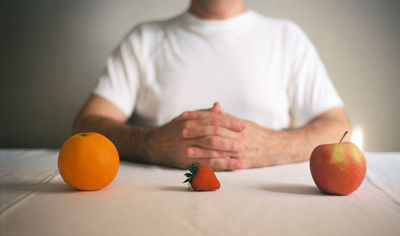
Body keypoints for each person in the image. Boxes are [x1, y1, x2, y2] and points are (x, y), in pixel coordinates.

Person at [73, 0, 351, 171]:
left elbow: (339, 128)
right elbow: (86, 125)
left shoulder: (287, 37)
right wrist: (150, 143)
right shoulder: (144, 38)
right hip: (158, 208)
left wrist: (273, 146)